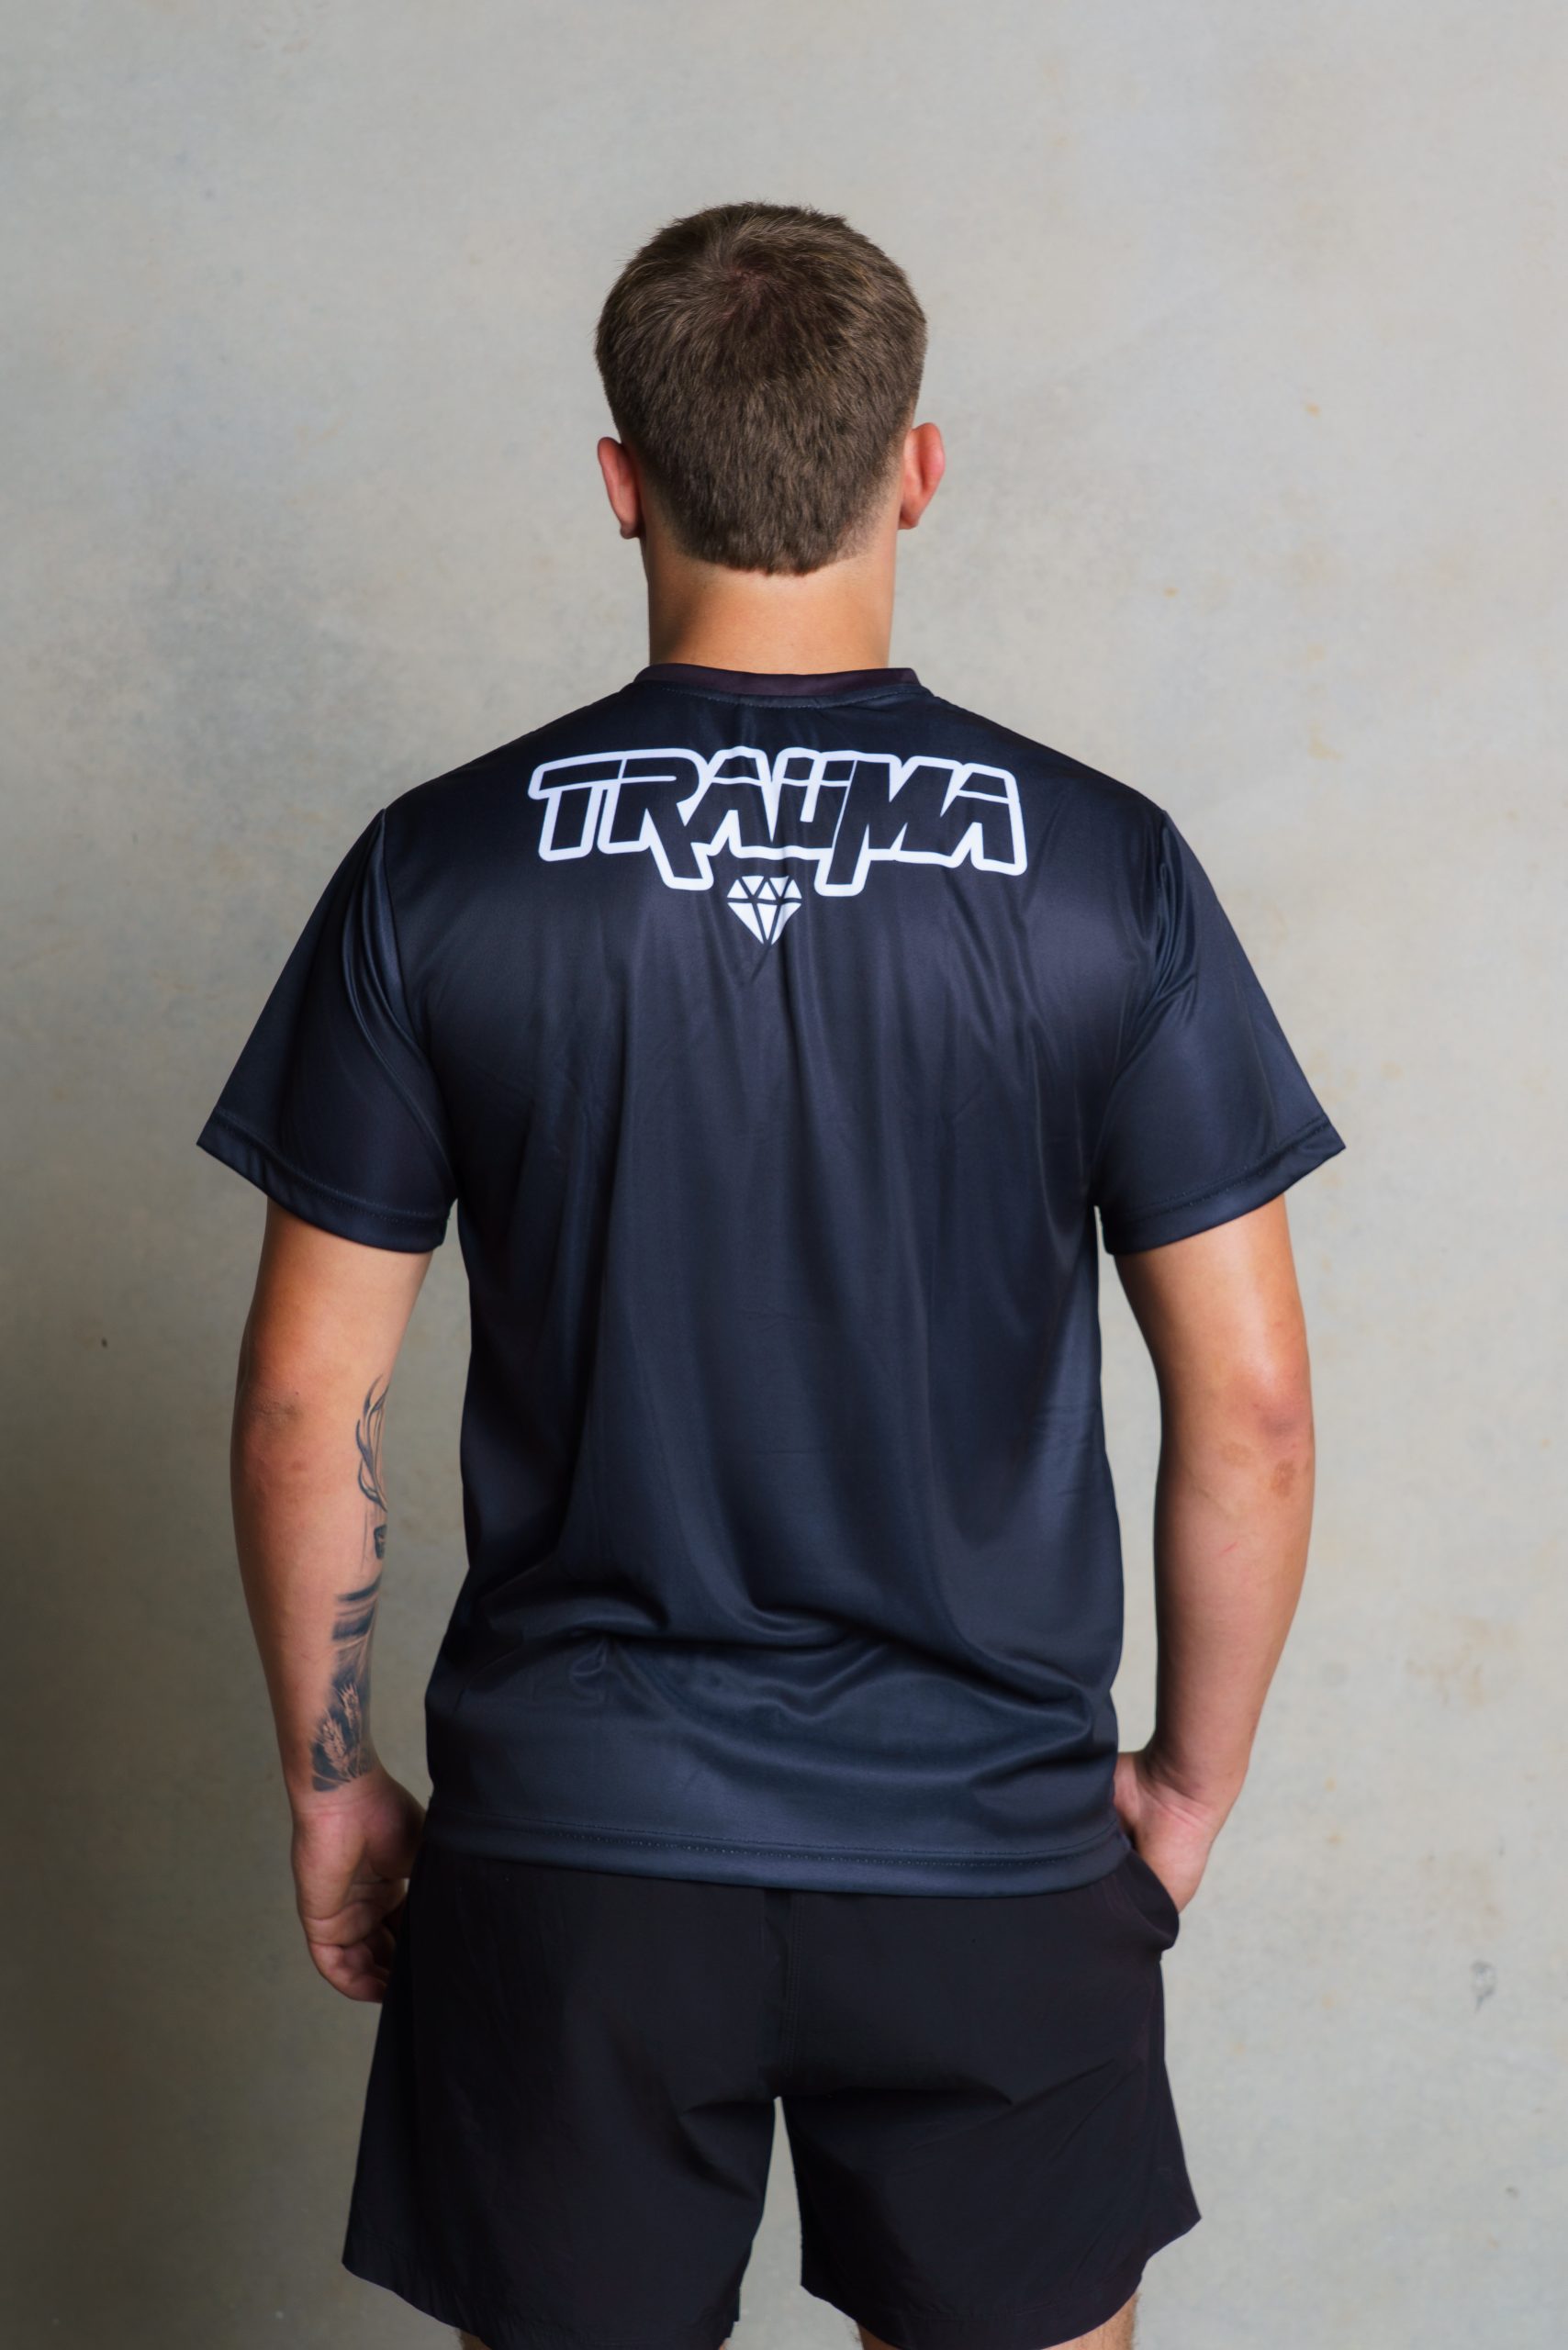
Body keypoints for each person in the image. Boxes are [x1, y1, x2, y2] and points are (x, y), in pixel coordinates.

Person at [198, 201, 1345, 2350]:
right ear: (916, 467)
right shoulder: (1103, 873)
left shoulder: (439, 870)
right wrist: (1181, 1789)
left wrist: (328, 1780)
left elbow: (299, 1405)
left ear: (618, 478)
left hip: (578, 1857)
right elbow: (1253, 1411)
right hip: (988, 1851)